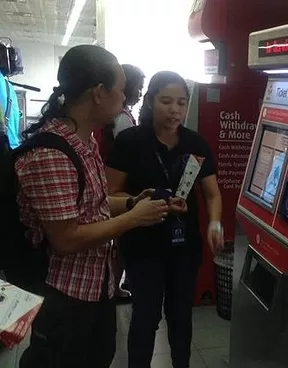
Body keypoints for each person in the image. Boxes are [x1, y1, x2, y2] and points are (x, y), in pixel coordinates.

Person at [16, 45, 169, 368]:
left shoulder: (83, 143)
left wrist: (131, 202)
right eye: (122, 89)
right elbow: (66, 238)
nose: (127, 97)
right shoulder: (52, 155)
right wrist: (132, 218)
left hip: (97, 289)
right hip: (64, 298)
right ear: (99, 93)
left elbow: (93, 205)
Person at [106, 71, 223, 368]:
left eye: (182, 103)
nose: (175, 110)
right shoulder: (130, 142)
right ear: (150, 101)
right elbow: (109, 195)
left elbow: (212, 194)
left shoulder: (195, 144)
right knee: (146, 316)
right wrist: (136, 203)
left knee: (181, 314)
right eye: (166, 101)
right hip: (143, 245)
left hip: (184, 247)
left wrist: (214, 223)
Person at [94, 63, 145, 299]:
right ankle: (114, 287)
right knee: (122, 240)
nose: (140, 93)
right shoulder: (123, 119)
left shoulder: (111, 117)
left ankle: (113, 286)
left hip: (106, 177)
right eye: (139, 87)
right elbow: (130, 153)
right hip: (120, 185)